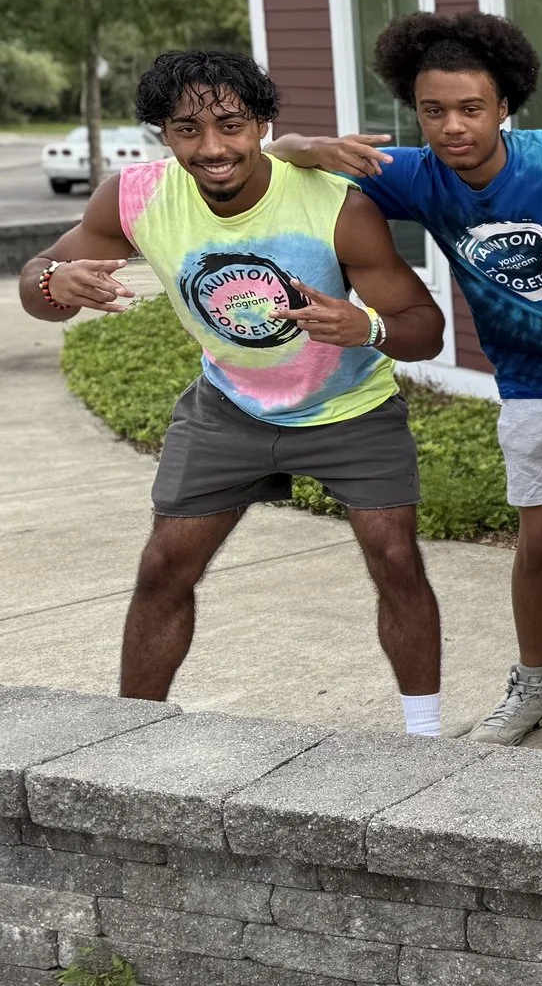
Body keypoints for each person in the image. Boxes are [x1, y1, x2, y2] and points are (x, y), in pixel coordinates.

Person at [21, 50, 449, 727]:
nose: (213, 147)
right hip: (230, 406)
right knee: (164, 565)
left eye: (230, 124)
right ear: (165, 134)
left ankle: (427, 740)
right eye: (187, 128)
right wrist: (53, 284)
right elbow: (39, 278)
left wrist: (363, 325)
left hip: (348, 408)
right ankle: (128, 739)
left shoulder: (335, 205)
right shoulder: (134, 197)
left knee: (396, 559)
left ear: (262, 124)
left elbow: (424, 327)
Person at [268, 12, 542, 755]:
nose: (452, 127)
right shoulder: (415, 174)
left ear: (505, 105)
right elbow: (278, 158)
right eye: (434, 110)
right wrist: (305, 144)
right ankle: (534, 684)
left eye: (471, 108)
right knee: (538, 539)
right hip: (531, 385)